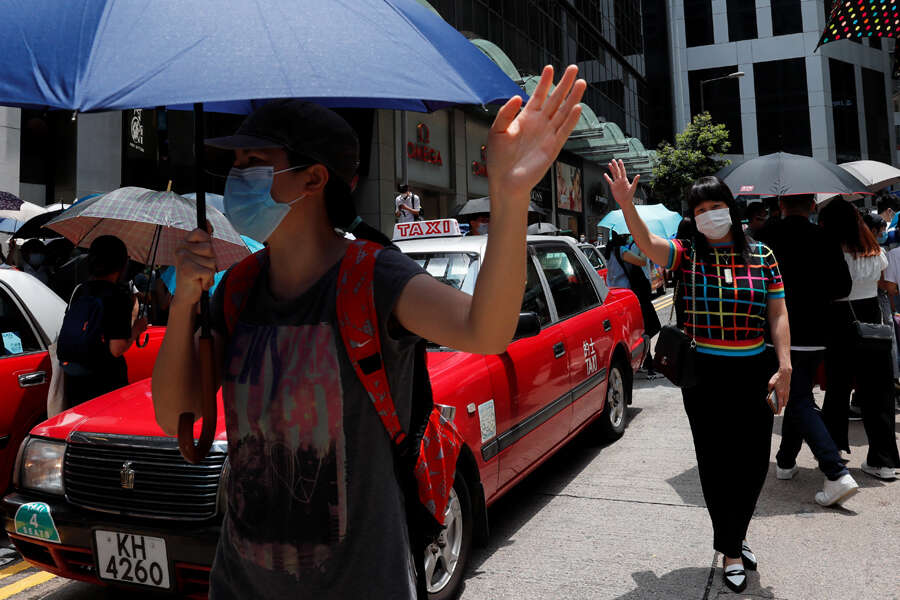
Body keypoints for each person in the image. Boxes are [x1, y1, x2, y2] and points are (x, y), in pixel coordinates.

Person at [152, 66, 586, 600]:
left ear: (314, 179)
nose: (236, 179)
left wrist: (510, 193)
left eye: (255, 163)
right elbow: (176, 414)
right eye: (236, 164)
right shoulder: (237, 288)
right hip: (241, 586)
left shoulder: (373, 277)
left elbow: (486, 329)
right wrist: (183, 305)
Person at [606, 163, 790, 594]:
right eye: (701, 209)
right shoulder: (687, 254)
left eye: (716, 206)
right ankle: (730, 549)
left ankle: (734, 532)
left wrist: (785, 365)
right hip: (704, 375)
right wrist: (627, 206)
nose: (710, 214)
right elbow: (649, 246)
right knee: (715, 462)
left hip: (754, 372)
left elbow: (778, 313)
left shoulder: (763, 256)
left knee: (752, 463)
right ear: (694, 216)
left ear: (731, 207)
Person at [755, 195, 859, 506]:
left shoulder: (764, 237)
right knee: (798, 394)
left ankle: (835, 471)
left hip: (777, 334)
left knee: (797, 398)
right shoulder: (824, 236)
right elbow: (843, 287)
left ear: (779, 205)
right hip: (817, 334)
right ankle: (786, 460)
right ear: (813, 206)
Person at [819, 199, 900, 481]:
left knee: (837, 391)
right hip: (872, 322)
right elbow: (879, 282)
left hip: (840, 321)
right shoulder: (875, 251)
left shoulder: (830, 253)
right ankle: (884, 460)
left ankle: (832, 452)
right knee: (879, 393)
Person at [60, 235, 148, 407]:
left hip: (74, 379)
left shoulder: (80, 290)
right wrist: (137, 328)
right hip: (105, 383)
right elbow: (117, 349)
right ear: (122, 265)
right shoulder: (118, 298)